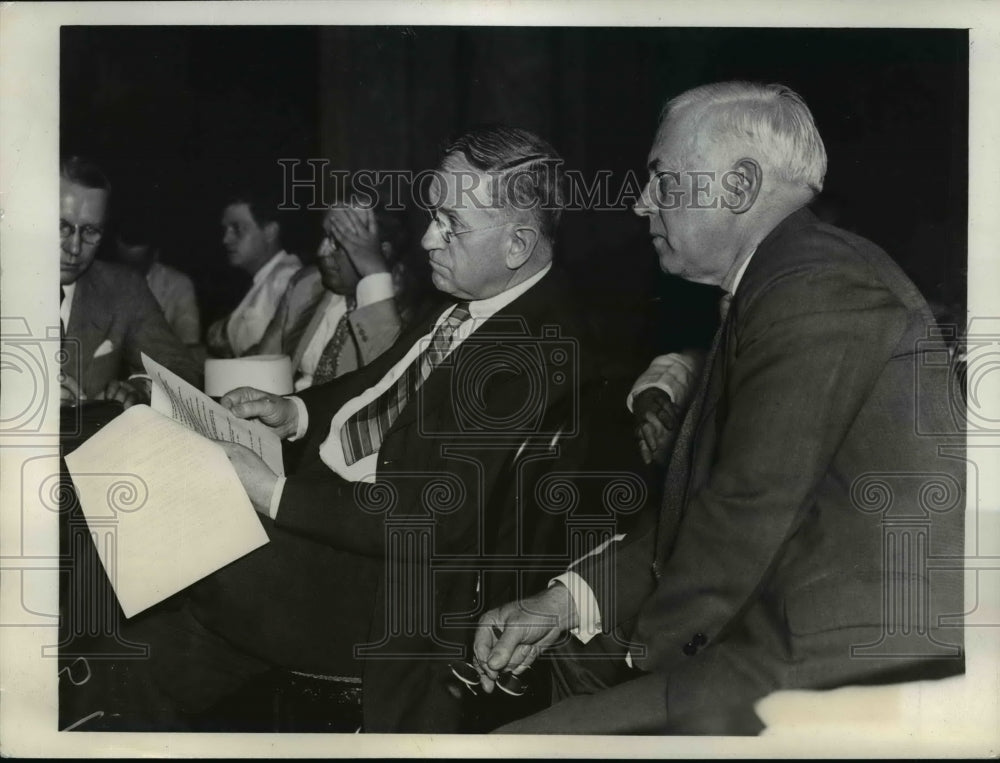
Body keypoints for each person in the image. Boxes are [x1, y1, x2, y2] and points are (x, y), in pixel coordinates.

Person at [471, 82, 966, 734]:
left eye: (663, 179)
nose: (642, 201)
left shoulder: (815, 287)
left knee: (513, 742)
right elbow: (698, 515)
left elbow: (746, 510)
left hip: (841, 665)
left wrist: (637, 660)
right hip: (784, 632)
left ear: (738, 188)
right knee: (562, 673)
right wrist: (565, 602)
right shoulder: (782, 280)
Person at [74, 126, 596, 733]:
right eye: (433, 215)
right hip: (331, 535)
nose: (428, 238)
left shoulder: (535, 354)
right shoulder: (476, 298)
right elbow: (378, 383)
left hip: (382, 593)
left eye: (451, 224)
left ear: (517, 244)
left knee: (130, 501)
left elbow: (428, 514)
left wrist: (270, 491)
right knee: (133, 659)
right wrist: (293, 412)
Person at [59, 156, 202, 407]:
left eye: (90, 231)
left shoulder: (123, 289)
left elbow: (184, 370)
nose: (74, 248)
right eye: (62, 226)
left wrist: (140, 390)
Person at [251, 204, 404, 390]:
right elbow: (264, 365)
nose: (322, 252)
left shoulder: (405, 312)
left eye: (338, 242)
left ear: (381, 252)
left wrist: (374, 274)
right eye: (325, 236)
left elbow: (389, 388)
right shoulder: (306, 284)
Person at [205, 188, 302, 357]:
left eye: (237, 229)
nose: (226, 239)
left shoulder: (286, 278)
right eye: (225, 230)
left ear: (270, 231)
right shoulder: (262, 279)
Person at [114, 210, 202, 347]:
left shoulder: (179, 285)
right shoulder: (101, 283)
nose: (130, 273)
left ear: (155, 255)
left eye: (137, 266)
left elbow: (189, 341)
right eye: (125, 264)